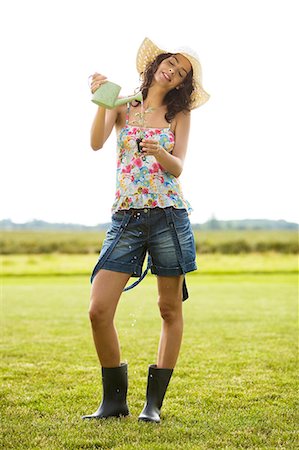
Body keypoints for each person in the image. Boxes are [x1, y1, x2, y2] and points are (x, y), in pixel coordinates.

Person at [82, 37, 209, 423]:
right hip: (126, 218)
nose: (174, 71)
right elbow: (95, 143)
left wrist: (159, 152)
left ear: (180, 84)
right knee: (98, 309)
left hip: (169, 215)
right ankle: (114, 401)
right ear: (157, 63)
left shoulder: (178, 115)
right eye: (172, 62)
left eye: (182, 73)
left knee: (169, 309)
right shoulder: (123, 105)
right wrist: (103, 98)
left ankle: (152, 405)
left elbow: (179, 167)